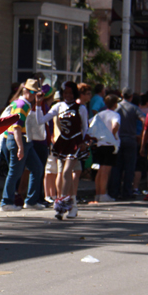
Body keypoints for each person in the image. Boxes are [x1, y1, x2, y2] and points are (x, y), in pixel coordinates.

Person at [41, 81, 88, 219]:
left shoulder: (81, 108)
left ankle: (63, 205)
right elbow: (41, 120)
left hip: (76, 144)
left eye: (70, 93)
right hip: (62, 144)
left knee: (69, 173)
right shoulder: (58, 106)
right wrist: (38, 105)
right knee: (62, 175)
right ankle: (70, 205)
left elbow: (85, 127)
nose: (68, 95)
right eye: (65, 93)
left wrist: (84, 141)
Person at [0, 79, 45, 211]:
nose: (32, 94)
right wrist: (20, 147)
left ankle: (31, 201)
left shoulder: (22, 103)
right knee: (15, 172)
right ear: (24, 90)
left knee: (37, 168)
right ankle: (6, 202)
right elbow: (17, 127)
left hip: (24, 141)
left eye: (35, 92)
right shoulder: (22, 105)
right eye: (30, 91)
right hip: (19, 140)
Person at [108, 89, 141, 200]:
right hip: (131, 139)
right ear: (131, 96)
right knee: (129, 168)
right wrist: (140, 134)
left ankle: (114, 191)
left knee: (116, 167)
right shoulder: (134, 108)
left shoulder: (116, 108)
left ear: (122, 95)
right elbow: (144, 119)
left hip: (118, 139)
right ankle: (127, 192)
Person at [92, 94, 121, 203]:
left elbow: (91, 125)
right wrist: (113, 136)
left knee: (100, 170)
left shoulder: (100, 114)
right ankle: (103, 193)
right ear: (115, 104)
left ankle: (98, 194)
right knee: (106, 170)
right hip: (110, 144)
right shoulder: (115, 114)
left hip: (100, 143)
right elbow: (115, 126)